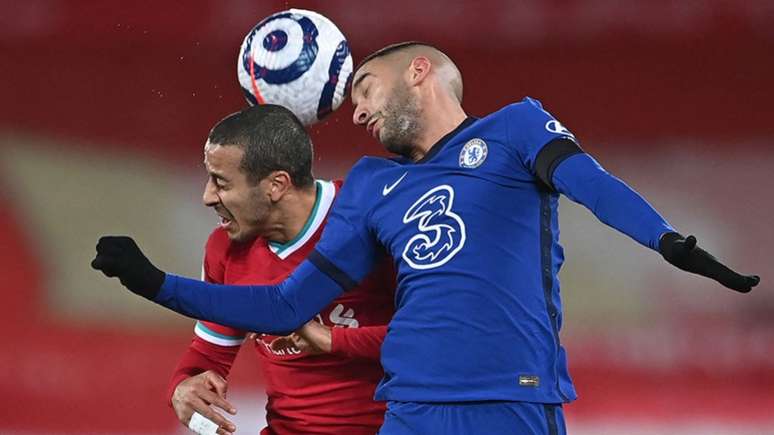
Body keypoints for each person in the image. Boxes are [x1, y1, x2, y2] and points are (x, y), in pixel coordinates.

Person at [92, 42, 759, 434]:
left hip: (512, 396)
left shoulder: (515, 130)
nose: (355, 110)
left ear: (419, 71)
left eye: (363, 87)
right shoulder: (373, 185)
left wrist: (667, 240)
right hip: (409, 410)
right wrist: (151, 280)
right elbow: (284, 305)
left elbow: (594, 185)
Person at [162, 104, 394, 435]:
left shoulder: (375, 221)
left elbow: (441, 338)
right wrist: (183, 386)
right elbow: (208, 355)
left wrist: (333, 340)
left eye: (221, 182)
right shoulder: (224, 249)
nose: (207, 197)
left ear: (276, 185)